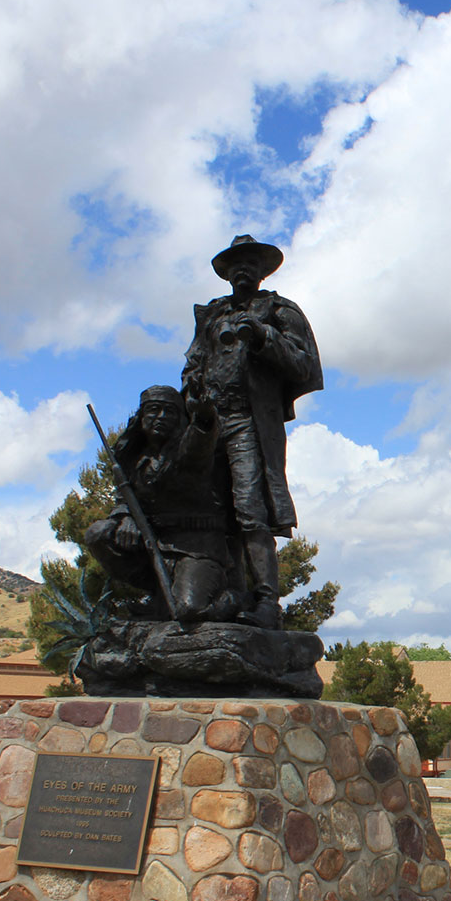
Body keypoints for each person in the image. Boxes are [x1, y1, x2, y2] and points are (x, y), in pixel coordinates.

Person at [180, 235, 323, 629]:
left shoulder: (279, 311)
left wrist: (263, 336)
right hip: (210, 421)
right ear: (226, 273)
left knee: (250, 511)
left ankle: (265, 602)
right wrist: (193, 388)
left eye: (251, 262)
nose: (243, 269)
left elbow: (306, 366)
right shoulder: (211, 315)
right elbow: (193, 361)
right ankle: (222, 593)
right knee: (206, 511)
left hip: (248, 420)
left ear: (263, 270)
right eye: (235, 263)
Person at [84, 386, 237, 623]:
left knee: (188, 610)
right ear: (142, 417)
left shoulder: (187, 450)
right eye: (154, 411)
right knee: (98, 533)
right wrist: (126, 517)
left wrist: (204, 418)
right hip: (152, 545)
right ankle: (157, 596)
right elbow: (124, 498)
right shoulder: (133, 457)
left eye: (170, 412)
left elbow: (199, 445)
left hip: (194, 548)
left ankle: (236, 600)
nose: (162, 417)